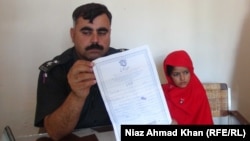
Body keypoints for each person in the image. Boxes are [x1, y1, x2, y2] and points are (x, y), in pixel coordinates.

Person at [34, 3, 127, 140]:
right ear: (72, 34)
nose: (95, 40)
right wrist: (77, 96)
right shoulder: (54, 71)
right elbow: (55, 132)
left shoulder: (127, 63)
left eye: (102, 32)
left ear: (109, 33)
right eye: (86, 32)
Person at [161, 50, 213, 125]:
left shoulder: (198, 91)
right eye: (176, 74)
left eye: (186, 72)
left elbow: (204, 119)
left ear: (191, 71)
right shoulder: (163, 92)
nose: (182, 78)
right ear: (169, 76)